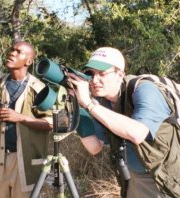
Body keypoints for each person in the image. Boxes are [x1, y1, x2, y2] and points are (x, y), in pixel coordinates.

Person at [68, 47, 173, 198]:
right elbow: (94, 147)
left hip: (161, 175)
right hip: (132, 174)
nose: (95, 80)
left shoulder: (145, 90)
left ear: (120, 74)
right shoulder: (101, 101)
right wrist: (77, 107)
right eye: (91, 74)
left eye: (102, 73)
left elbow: (137, 134)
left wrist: (89, 104)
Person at [0, 41, 53, 198]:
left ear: (28, 61)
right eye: (12, 50)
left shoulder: (40, 89)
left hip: (25, 163)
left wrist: (19, 117)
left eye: (19, 52)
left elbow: (50, 124)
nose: (12, 53)